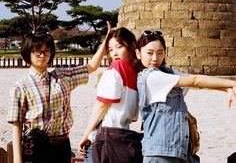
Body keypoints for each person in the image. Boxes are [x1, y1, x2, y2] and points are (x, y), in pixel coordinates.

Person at [7, 23, 112, 163]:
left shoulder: (62, 77)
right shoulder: (20, 86)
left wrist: (106, 40)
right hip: (36, 148)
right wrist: (17, 160)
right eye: (37, 51)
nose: (42, 55)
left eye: (46, 51)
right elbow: (17, 125)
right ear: (28, 53)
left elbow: (91, 67)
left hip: (62, 145)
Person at [135, 30, 236, 163]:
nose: (155, 58)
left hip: (181, 152)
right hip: (160, 154)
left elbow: (200, 83)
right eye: (149, 53)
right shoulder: (151, 77)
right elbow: (195, 80)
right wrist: (233, 83)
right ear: (138, 53)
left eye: (160, 53)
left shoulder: (168, 73)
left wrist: (228, 89)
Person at [78, 27, 143, 163]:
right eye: (111, 49)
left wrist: (86, 133)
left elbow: (102, 105)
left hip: (105, 136)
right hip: (123, 135)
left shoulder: (117, 67)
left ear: (132, 46)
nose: (114, 53)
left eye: (119, 47)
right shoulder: (137, 72)